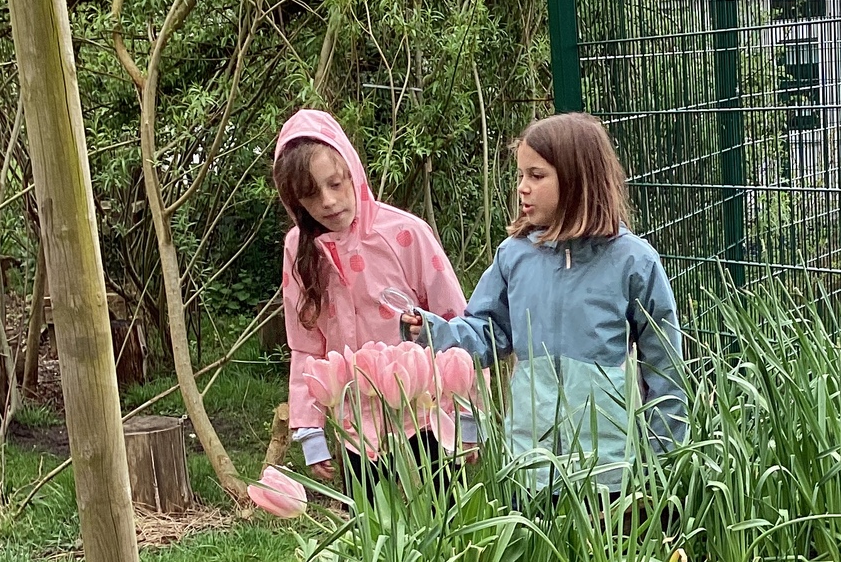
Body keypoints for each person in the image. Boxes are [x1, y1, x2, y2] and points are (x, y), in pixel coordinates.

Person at [405, 112, 685, 480]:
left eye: (536, 176)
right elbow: (488, 330)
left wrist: (661, 467)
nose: (522, 187)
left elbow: (665, 368)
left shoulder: (633, 261)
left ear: (578, 179)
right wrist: (433, 332)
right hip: (530, 466)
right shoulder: (514, 255)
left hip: (610, 470)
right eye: (521, 175)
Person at [272, 108, 466, 480]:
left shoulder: (406, 234)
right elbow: (305, 344)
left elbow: (456, 324)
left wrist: (468, 414)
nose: (328, 202)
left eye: (335, 184)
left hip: (425, 416)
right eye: (311, 195)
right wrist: (310, 429)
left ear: (353, 172)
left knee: (438, 514)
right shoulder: (299, 249)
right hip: (357, 429)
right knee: (370, 516)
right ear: (294, 200)